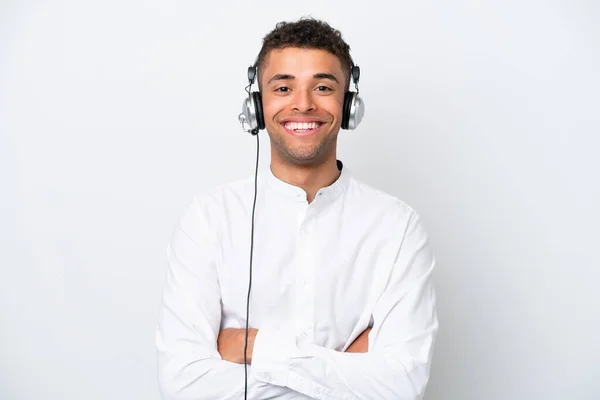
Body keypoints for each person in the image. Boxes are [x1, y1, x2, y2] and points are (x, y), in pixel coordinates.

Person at [156, 17, 439, 400]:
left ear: (348, 103)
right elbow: (184, 384)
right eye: (284, 87)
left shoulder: (398, 228)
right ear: (257, 104)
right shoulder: (208, 219)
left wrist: (255, 347)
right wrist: (345, 367)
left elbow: (401, 386)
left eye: (323, 87)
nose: (303, 104)